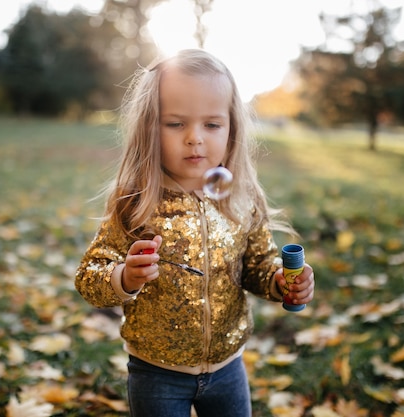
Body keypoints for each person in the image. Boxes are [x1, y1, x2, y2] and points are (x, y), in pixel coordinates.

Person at [75, 49, 315, 417]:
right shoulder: (137, 202)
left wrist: (281, 280)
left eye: (212, 125)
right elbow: (89, 276)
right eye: (176, 124)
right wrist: (125, 275)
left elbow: (257, 264)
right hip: (157, 372)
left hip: (228, 367)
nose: (194, 138)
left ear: (232, 128)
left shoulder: (239, 198)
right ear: (149, 128)